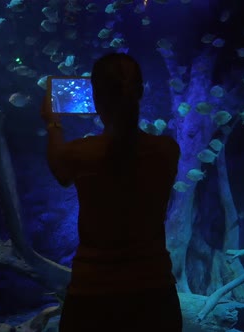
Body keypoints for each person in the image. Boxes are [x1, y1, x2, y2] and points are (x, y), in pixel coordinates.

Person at [40, 53, 183, 332]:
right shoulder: (166, 150)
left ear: (95, 97)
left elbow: (60, 170)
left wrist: (52, 123)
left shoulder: (80, 153)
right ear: (140, 92)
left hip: (93, 290)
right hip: (154, 289)